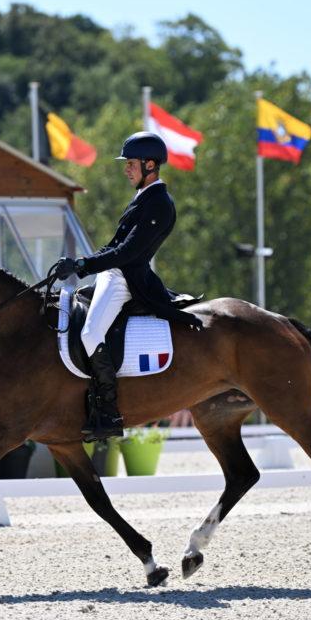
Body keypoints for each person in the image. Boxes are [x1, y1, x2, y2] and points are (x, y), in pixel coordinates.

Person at [53, 131, 202, 441]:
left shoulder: (160, 203)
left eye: (131, 163)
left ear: (150, 165)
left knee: (91, 332)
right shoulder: (143, 197)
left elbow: (128, 252)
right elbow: (113, 246)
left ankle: (107, 410)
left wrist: (84, 266)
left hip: (126, 278)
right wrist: (83, 261)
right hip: (112, 273)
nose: (126, 169)